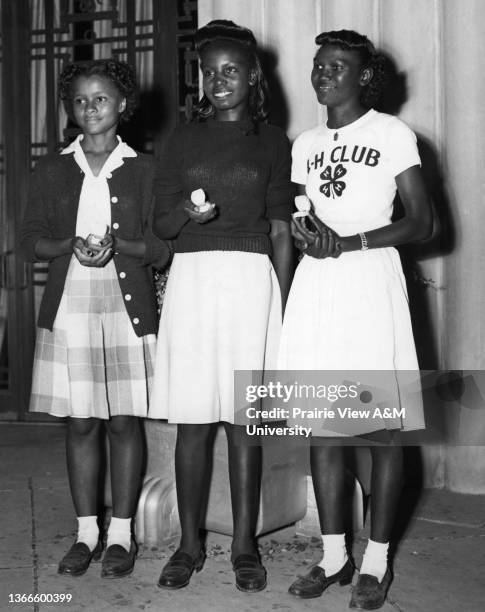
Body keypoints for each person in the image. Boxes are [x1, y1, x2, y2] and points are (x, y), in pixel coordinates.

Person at [278, 30, 432, 610]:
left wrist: (350, 242)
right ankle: (334, 555)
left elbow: (423, 223)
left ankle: (376, 560)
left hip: (368, 281)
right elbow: (302, 222)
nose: (323, 74)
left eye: (337, 66)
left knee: (380, 433)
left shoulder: (392, 134)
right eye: (319, 65)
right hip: (320, 286)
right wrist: (306, 242)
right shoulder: (305, 143)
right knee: (324, 428)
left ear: (364, 75)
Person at [149, 20, 294, 593]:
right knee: (193, 421)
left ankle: (243, 545)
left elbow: (281, 228)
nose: (218, 81)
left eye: (230, 70)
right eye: (209, 72)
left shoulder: (274, 141)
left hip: (252, 283)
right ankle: (189, 544)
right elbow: (159, 225)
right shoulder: (182, 138)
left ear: (252, 74)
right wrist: (184, 208)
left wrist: (285, 300)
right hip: (193, 282)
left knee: (243, 424)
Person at [20, 59, 169, 579]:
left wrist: (119, 247)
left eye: (101, 99)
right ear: (71, 108)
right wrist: (69, 246)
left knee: (125, 420)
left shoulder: (147, 169)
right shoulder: (52, 168)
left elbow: (161, 245)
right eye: (80, 100)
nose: (90, 109)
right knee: (82, 421)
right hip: (71, 308)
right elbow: (29, 241)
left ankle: (122, 535)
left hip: (126, 308)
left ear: (123, 105)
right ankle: (87, 532)